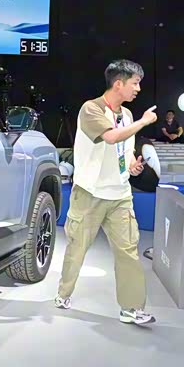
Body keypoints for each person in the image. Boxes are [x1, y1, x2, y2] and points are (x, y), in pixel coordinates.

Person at [54, 59, 158, 325]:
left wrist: (132, 165)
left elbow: (123, 148)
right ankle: (64, 292)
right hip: (89, 193)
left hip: (120, 194)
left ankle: (131, 308)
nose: (138, 89)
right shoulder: (91, 109)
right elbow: (111, 137)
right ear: (118, 84)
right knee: (77, 248)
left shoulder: (128, 115)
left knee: (128, 251)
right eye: (135, 83)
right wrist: (144, 122)